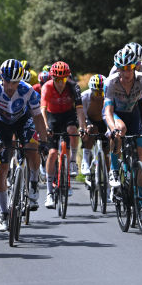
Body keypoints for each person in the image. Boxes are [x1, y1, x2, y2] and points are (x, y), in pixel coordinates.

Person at [0, 58, 48, 233]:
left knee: (32, 146)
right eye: (7, 82)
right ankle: (4, 213)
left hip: (22, 120)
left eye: (15, 82)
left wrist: (43, 141)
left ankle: (34, 182)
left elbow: (37, 118)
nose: (11, 86)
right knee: (1, 170)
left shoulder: (27, 91)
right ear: (1, 79)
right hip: (1, 123)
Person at [103, 46, 142, 193]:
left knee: (141, 155)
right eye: (122, 69)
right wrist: (112, 128)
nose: (126, 72)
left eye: (130, 68)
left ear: (135, 67)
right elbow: (107, 110)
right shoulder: (111, 82)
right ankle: (114, 170)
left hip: (133, 114)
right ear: (117, 69)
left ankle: (141, 202)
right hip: (116, 113)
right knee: (120, 130)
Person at [40, 61, 87, 207]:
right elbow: (42, 109)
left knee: (73, 131)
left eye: (63, 79)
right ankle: (49, 193)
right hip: (52, 116)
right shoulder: (47, 87)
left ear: (68, 78)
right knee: (53, 153)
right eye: (57, 79)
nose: (60, 83)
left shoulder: (74, 87)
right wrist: (46, 127)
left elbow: (79, 109)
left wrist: (83, 127)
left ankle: (72, 161)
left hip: (68, 115)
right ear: (52, 78)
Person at [80, 74, 108, 175]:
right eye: (96, 92)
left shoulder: (109, 95)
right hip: (90, 120)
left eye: (102, 92)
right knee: (91, 129)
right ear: (91, 90)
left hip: (105, 121)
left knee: (107, 150)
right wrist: (84, 127)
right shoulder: (84, 96)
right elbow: (82, 115)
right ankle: (85, 161)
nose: (99, 95)